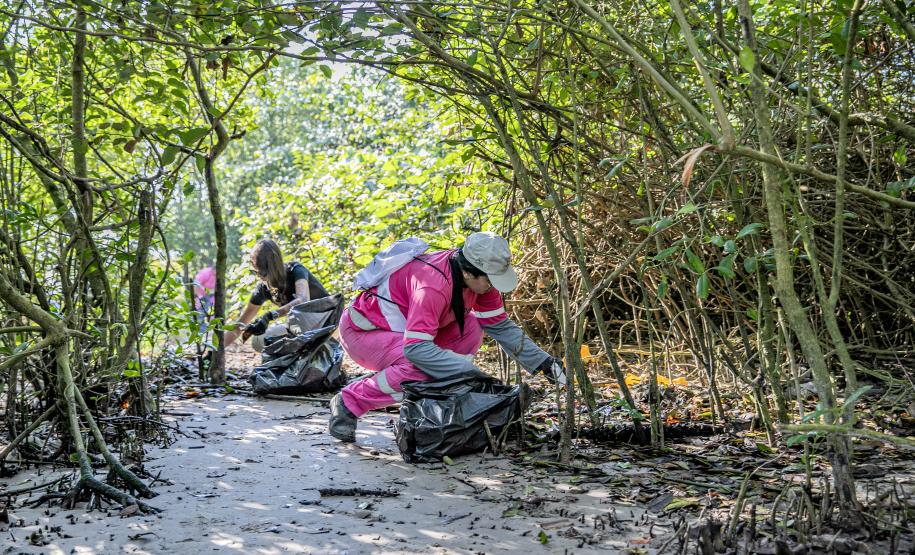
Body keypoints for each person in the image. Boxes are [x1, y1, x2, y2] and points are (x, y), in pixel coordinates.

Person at [328, 231, 567, 443]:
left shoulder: (480, 282)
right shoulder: (432, 287)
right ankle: (350, 402)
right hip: (365, 333)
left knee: (472, 326)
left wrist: (543, 363)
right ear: (468, 271)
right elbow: (417, 350)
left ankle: (442, 401)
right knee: (419, 367)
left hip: (404, 333)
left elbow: (499, 326)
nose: (492, 287)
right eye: (490, 280)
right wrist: (469, 374)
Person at [222, 239, 330, 350]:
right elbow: (241, 323)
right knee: (259, 341)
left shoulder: (296, 270)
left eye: (262, 273)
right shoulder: (263, 288)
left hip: (327, 322)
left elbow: (302, 300)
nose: (260, 277)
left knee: (295, 323)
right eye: (256, 272)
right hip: (304, 330)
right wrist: (215, 351)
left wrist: (270, 315)